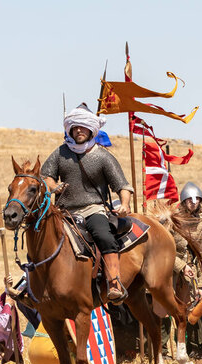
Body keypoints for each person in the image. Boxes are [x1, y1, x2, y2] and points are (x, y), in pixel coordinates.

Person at [41, 103, 134, 303]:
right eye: (75, 127)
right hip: (64, 212)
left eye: (83, 127)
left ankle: (114, 282)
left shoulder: (102, 156)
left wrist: (125, 204)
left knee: (103, 236)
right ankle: (31, 283)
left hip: (93, 209)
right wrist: (53, 186)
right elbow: (46, 176)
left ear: (91, 129)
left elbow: (123, 186)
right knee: (40, 235)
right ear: (71, 129)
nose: (79, 130)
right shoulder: (60, 153)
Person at [170, 182, 202, 357]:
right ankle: (165, 351)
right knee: (167, 311)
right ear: (184, 200)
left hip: (191, 272)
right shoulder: (172, 222)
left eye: (196, 200)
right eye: (190, 200)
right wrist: (180, 266)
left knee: (192, 310)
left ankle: (193, 349)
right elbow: (164, 251)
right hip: (169, 269)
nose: (193, 203)